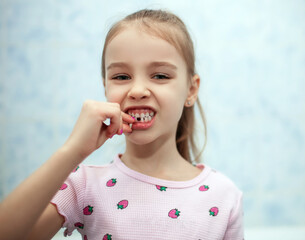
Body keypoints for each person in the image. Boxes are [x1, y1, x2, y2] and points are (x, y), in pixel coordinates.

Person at [0, 9, 244, 240]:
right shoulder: (83, 186)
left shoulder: (223, 195)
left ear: (191, 90)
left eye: (160, 75)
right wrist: (72, 151)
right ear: (106, 86)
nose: (137, 90)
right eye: (121, 77)